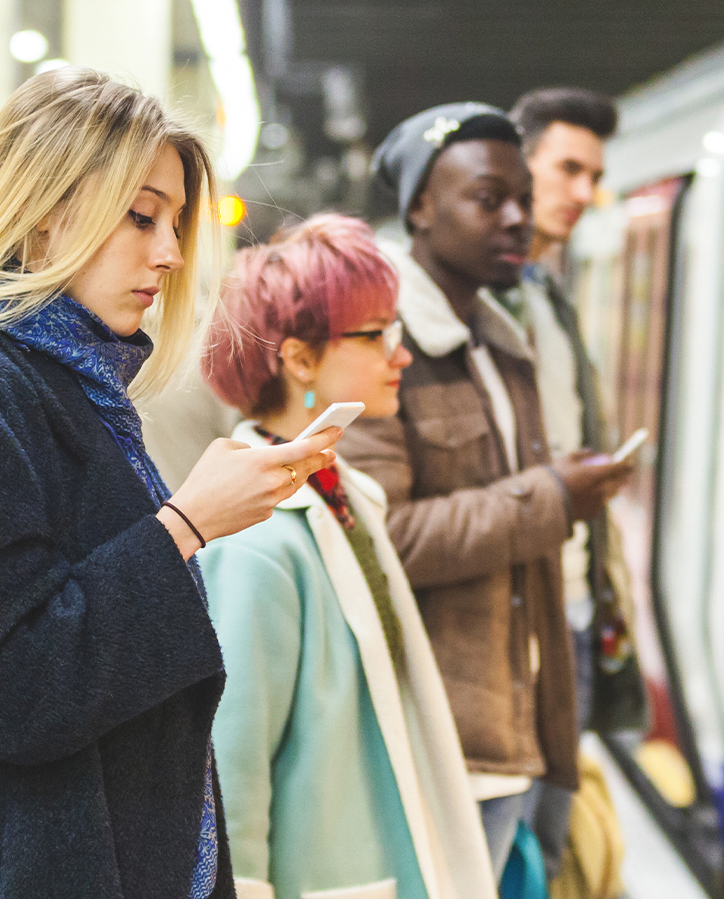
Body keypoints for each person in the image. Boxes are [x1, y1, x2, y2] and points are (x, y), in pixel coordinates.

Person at [0, 67, 339, 899]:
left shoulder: (67, 386)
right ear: (43, 217)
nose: (172, 252)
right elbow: (13, 687)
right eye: (140, 215)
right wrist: (185, 524)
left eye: (176, 221)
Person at [336, 102, 632, 876]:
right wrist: (554, 499)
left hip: (519, 727)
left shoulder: (502, 344)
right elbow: (380, 538)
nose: (516, 219)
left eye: (522, 200)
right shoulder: (379, 343)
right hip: (443, 746)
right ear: (421, 209)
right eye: (487, 198)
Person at [197, 214, 498, 899]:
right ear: (299, 359)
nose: (402, 354)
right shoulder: (255, 541)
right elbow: (230, 775)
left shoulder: (338, 492)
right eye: (377, 333)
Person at [503, 87, 636, 881]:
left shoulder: (550, 295)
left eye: (594, 175)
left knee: (545, 838)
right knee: (518, 845)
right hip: (522, 612)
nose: (584, 193)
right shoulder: (477, 300)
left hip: (575, 600)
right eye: (568, 168)